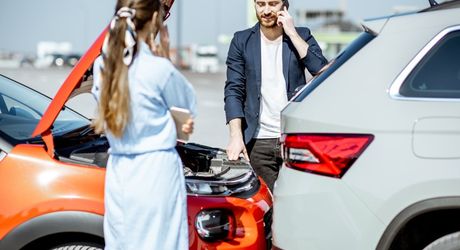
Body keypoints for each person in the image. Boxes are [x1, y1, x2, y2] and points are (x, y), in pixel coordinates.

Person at [91, 0, 196, 249]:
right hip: (156, 171)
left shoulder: (102, 68)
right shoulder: (159, 70)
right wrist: (166, 56)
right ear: (153, 22)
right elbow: (186, 108)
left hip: (119, 173)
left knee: (123, 240)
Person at [224, 0, 327, 192]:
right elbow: (233, 90)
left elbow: (322, 72)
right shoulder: (241, 40)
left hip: (293, 139)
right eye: (261, 4)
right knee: (266, 208)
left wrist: (292, 33)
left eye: (273, 4)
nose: (266, 10)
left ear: (284, 6)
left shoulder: (301, 35)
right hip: (258, 142)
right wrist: (235, 135)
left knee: (296, 204)